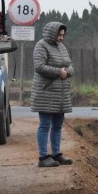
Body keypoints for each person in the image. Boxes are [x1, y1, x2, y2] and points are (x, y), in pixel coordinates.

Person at [31, 21, 74, 167]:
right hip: (46, 92)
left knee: (57, 126)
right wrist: (59, 72)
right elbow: (39, 66)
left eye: (63, 35)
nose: (61, 38)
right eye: (59, 35)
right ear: (52, 33)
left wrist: (67, 72)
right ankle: (43, 157)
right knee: (45, 125)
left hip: (61, 94)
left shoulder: (62, 47)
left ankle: (56, 154)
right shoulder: (41, 46)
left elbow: (70, 65)